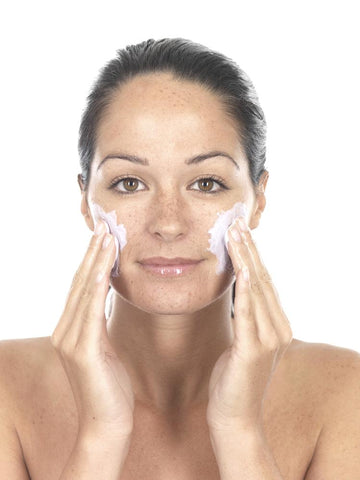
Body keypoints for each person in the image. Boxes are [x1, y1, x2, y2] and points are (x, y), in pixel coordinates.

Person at [0, 38, 359, 480]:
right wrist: (101, 435)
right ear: (84, 201)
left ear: (258, 200)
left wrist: (239, 431)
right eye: (130, 183)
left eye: (206, 183)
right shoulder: (6, 391)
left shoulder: (346, 392)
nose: (168, 224)